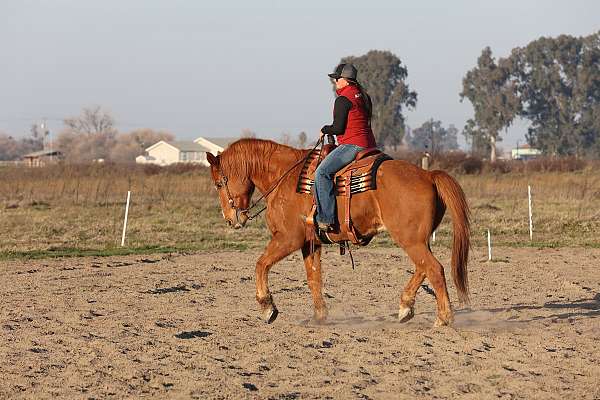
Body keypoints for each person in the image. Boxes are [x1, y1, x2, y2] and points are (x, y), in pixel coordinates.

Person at [313, 63, 377, 231]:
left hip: (352, 144)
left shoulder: (343, 99)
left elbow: (338, 128)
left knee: (321, 173)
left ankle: (326, 218)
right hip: (370, 144)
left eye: (337, 79)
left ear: (345, 80)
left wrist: (324, 129)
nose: (335, 83)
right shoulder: (363, 96)